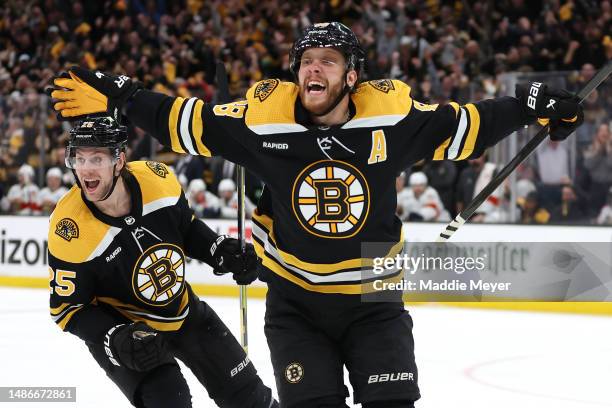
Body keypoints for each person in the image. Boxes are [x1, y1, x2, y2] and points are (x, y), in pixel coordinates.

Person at [49, 22, 583, 408]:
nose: (313, 68)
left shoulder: (391, 117)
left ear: (352, 76)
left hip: (373, 301)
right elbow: (185, 120)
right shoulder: (264, 119)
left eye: (328, 60)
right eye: (306, 61)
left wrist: (530, 106)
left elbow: (466, 126)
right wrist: (121, 94)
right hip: (295, 302)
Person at [47, 117, 277, 408]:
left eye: (97, 158)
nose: (85, 169)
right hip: (129, 331)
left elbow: (186, 228)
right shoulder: (69, 228)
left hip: (183, 310)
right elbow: (68, 309)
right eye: (79, 158)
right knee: (171, 399)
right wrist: (113, 337)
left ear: (119, 161)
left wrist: (219, 249)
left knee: (250, 397)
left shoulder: (158, 180)